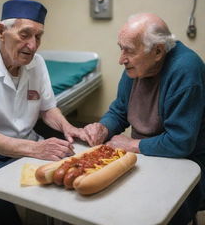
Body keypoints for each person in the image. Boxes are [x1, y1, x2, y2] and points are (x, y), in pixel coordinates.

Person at [0, 0, 88, 225]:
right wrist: (37, 148)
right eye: (25, 35)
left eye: (38, 36)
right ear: (1, 31)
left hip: (24, 140)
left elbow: (48, 109)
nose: (33, 45)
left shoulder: (37, 63)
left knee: (64, 171)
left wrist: (69, 128)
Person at [84, 13, 205, 225]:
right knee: (105, 204)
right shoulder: (137, 66)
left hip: (189, 161)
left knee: (154, 213)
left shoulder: (186, 70)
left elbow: (181, 142)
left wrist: (132, 144)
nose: (121, 59)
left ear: (158, 51)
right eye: (121, 48)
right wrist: (103, 127)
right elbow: (120, 111)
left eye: (128, 50)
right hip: (147, 155)